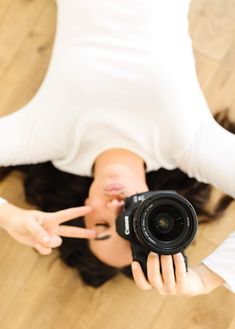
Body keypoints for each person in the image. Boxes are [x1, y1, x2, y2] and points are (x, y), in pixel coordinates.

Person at [0, 0, 235, 295]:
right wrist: (205, 280)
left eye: (99, 225)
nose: (115, 208)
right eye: (132, 222)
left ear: (80, 211)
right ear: (156, 211)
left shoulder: (51, 139)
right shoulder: (186, 145)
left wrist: (7, 216)